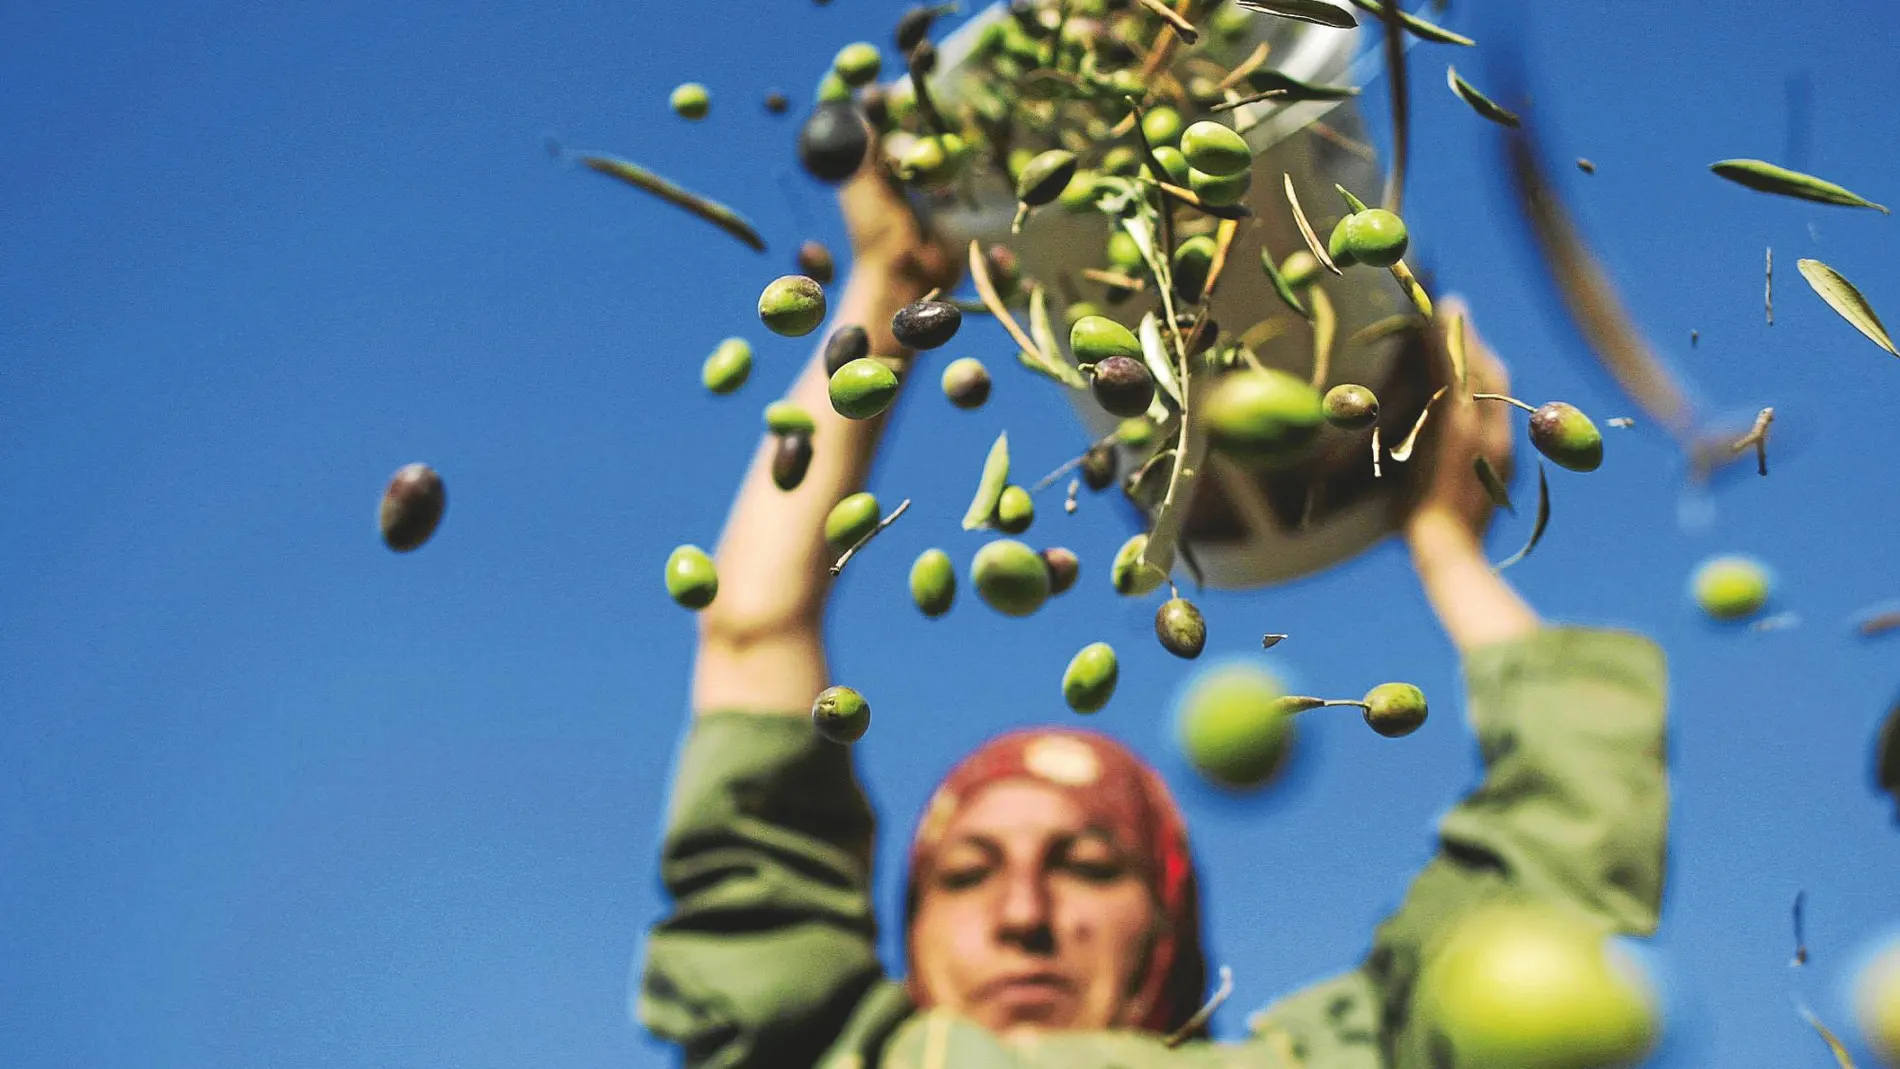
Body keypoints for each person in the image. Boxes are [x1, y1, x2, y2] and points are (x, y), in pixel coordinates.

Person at [636, 150, 1671, 1068]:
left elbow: (1558, 846)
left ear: (1170, 910)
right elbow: (748, 634)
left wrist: (1444, 544)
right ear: (909, 921)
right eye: (965, 874)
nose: (1024, 917)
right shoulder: (831, 1049)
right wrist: (893, 285)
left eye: (1088, 865)